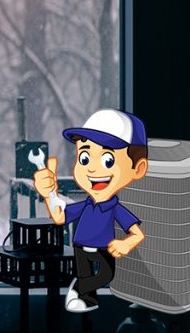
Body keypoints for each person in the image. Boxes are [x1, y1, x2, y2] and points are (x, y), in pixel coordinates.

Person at [33, 108, 149, 313]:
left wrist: (126, 243)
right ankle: (87, 299)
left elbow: (137, 233)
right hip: (80, 246)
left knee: (106, 275)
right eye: (84, 158)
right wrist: (48, 195)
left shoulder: (115, 208)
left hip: (104, 248)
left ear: (138, 169)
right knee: (86, 276)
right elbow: (59, 217)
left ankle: (77, 289)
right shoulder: (85, 205)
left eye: (108, 160)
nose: (92, 169)